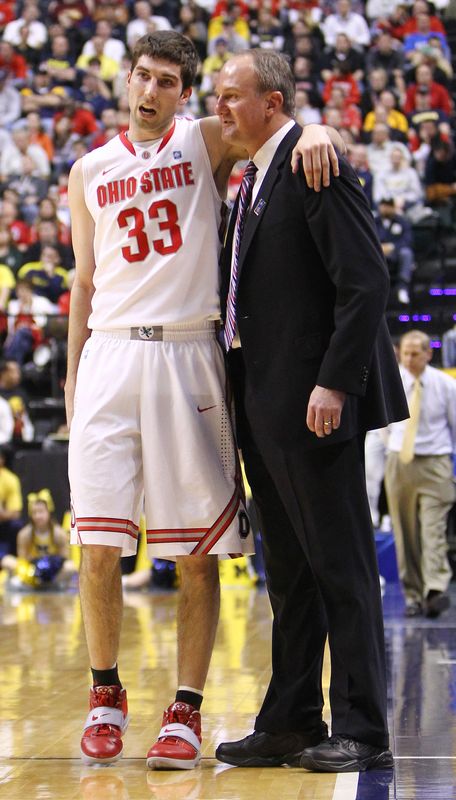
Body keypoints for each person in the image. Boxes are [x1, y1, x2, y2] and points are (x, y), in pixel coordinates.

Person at [66, 31, 341, 771]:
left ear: (185, 95)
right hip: (109, 354)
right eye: (142, 76)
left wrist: (317, 126)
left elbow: (281, 128)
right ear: (125, 81)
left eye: (166, 81)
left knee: (195, 551)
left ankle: (185, 707)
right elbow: (83, 282)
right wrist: (70, 376)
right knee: (97, 542)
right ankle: (105, 691)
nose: (149, 91)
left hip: (188, 351)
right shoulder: (88, 168)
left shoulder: (203, 141)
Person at [214, 49, 408, 773]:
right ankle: (293, 717)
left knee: (341, 566)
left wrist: (335, 383)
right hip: (263, 401)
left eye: (232, 97)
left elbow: (365, 282)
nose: (221, 108)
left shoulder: (313, 162)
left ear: (271, 101)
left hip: (314, 402)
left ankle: (364, 726)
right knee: (290, 571)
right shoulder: (254, 174)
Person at [384, 330, 456, 618]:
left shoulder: (445, 385)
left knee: (433, 529)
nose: (409, 359)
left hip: (435, 463)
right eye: (405, 353)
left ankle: (435, 589)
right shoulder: (391, 382)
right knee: (405, 533)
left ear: (428, 353)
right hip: (399, 461)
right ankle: (413, 595)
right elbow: (383, 428)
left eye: (416, 353)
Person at [1, 490, 77, 589]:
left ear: (48, 512)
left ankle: (50, 585)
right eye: (34, 512)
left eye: (41, 512)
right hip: (32, 569)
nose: (38, 516)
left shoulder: (59, 533)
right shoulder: (24, 534)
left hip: (53, 570)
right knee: (7, 561)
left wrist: (51, 564)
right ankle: (31, 583)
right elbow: (22, 560)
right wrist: (33, 568)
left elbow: (64, 558)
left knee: (70, 566)